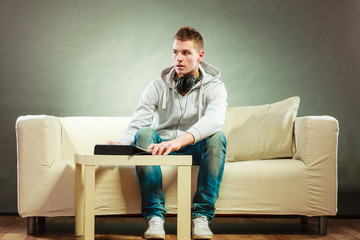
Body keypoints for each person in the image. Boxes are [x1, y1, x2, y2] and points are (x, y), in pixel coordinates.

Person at [108, 26, 227, 239]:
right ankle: (155, 218)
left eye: (186, 52)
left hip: (194, 148)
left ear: (200, 56)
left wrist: (179, 141)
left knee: (217, 137)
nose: (178, 58)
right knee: (144, 133)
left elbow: (215, 120)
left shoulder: (215, 87)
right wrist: (120, 144)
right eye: (175, 52)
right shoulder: (155, 87)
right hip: (161, 148)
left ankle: (201, 217)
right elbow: (137, 125)